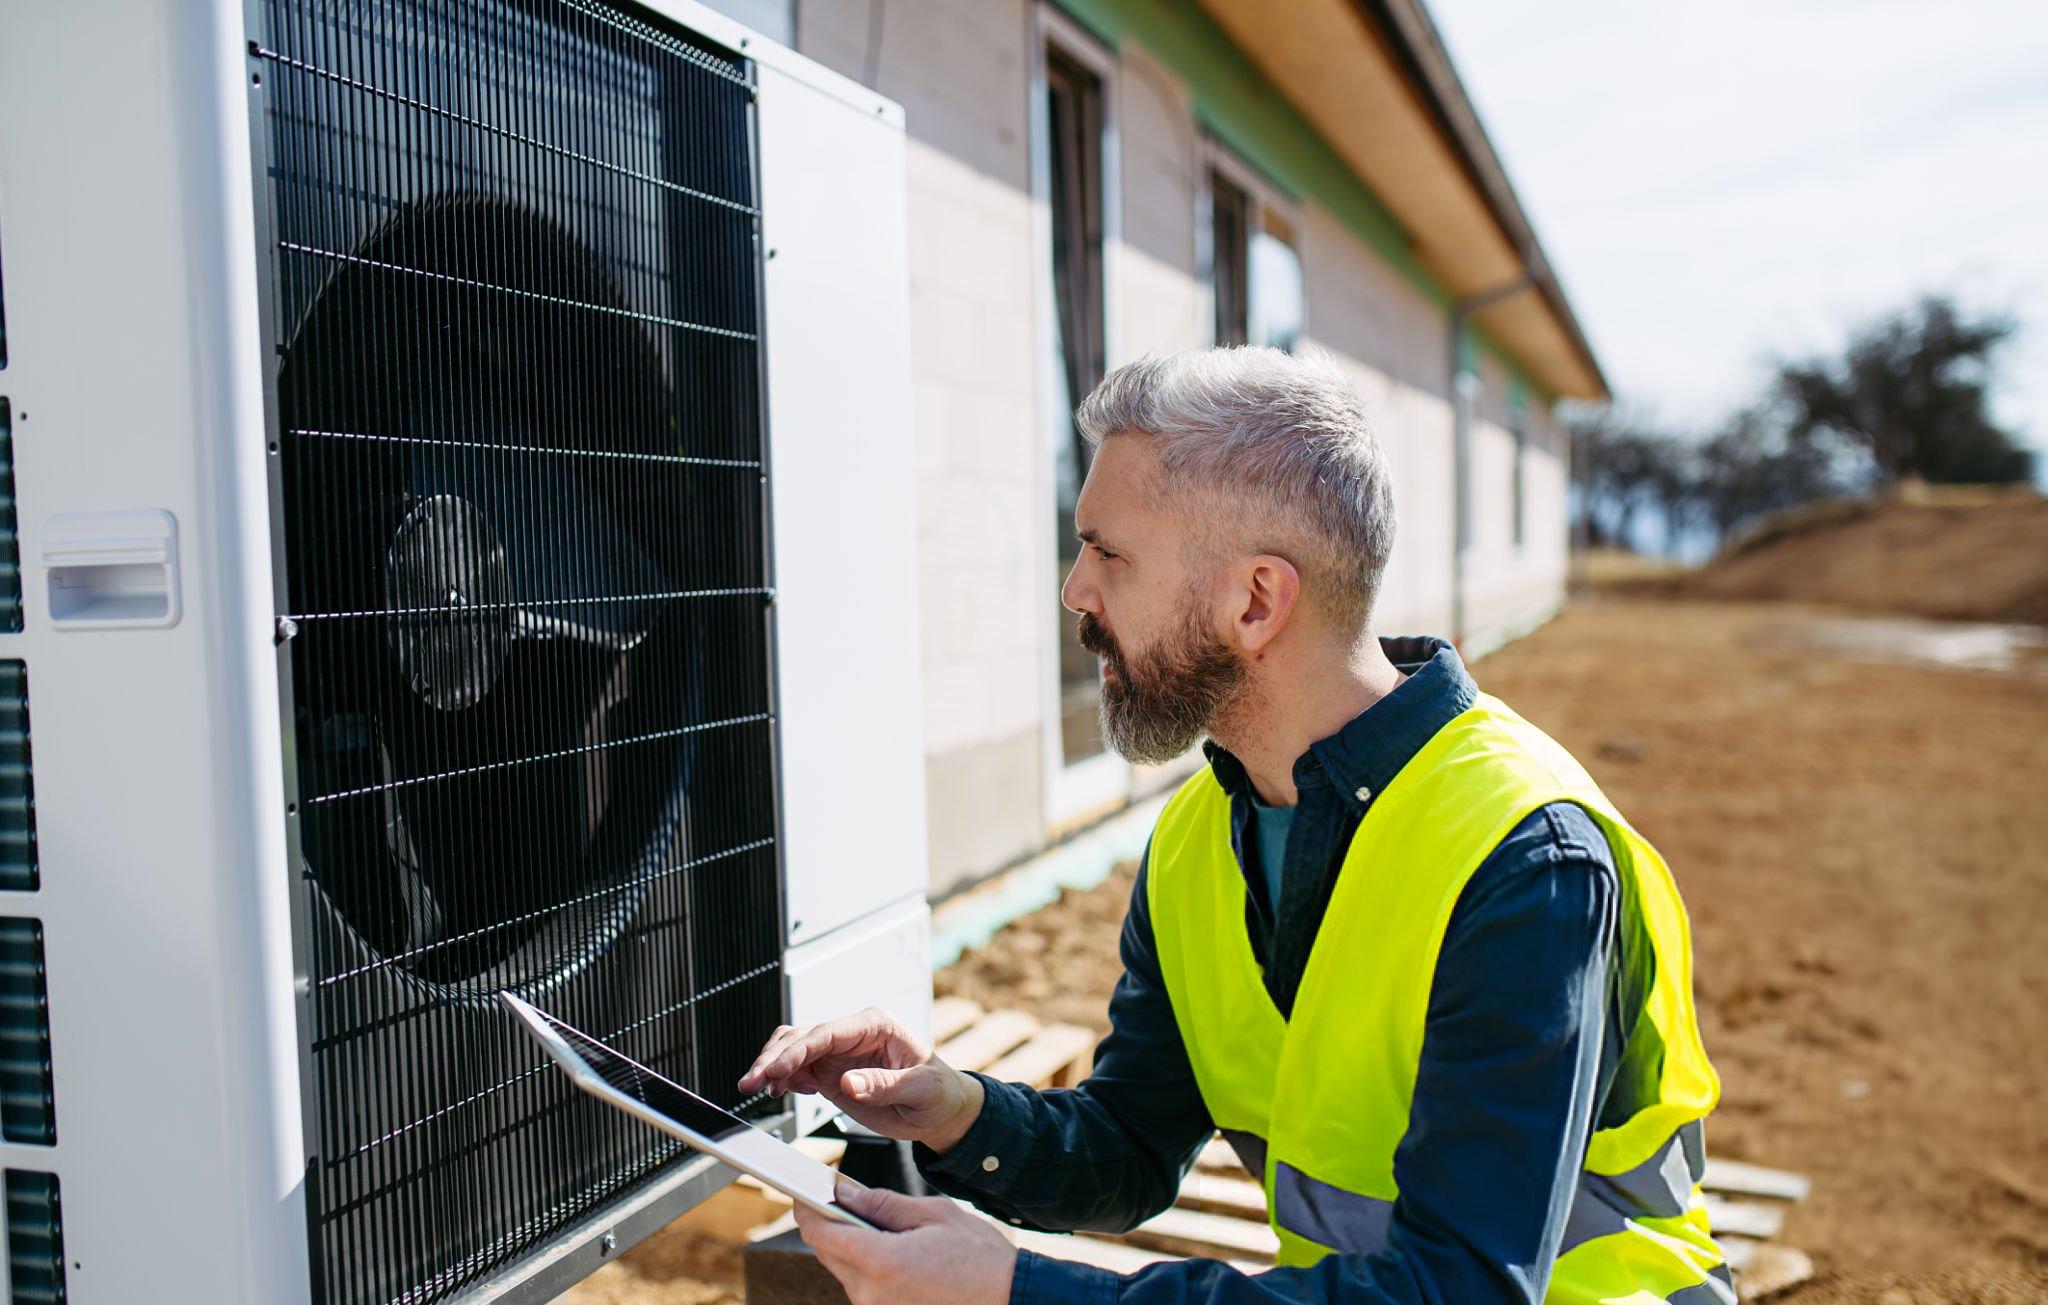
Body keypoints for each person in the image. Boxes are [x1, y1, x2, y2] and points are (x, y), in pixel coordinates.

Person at [740, 347, 1729, 1304]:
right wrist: (954, 1109)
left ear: (1255, 600)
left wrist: (1018, 1291)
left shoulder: (1522, 860)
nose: (1076, 590)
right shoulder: (1199, 834)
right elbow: (1133, 1145)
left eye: (1107, 553)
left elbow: (1457, 1288)